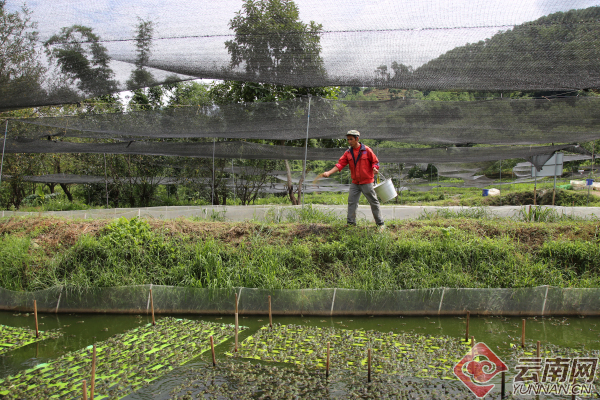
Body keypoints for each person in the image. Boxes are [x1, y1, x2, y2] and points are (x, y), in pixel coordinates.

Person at [322, 130, 384, 228]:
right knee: (352, 202)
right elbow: (340, 164)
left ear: (357, 139)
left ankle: (380, 224)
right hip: (355, 182)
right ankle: (351, 224)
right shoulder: (348, 153)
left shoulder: (366, 150)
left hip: (367, 182)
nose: (349, 141)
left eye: (351, 139)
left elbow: (375, 162)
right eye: (348, 139)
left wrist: (375, 168)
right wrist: (329, 172)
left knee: (373, 202)